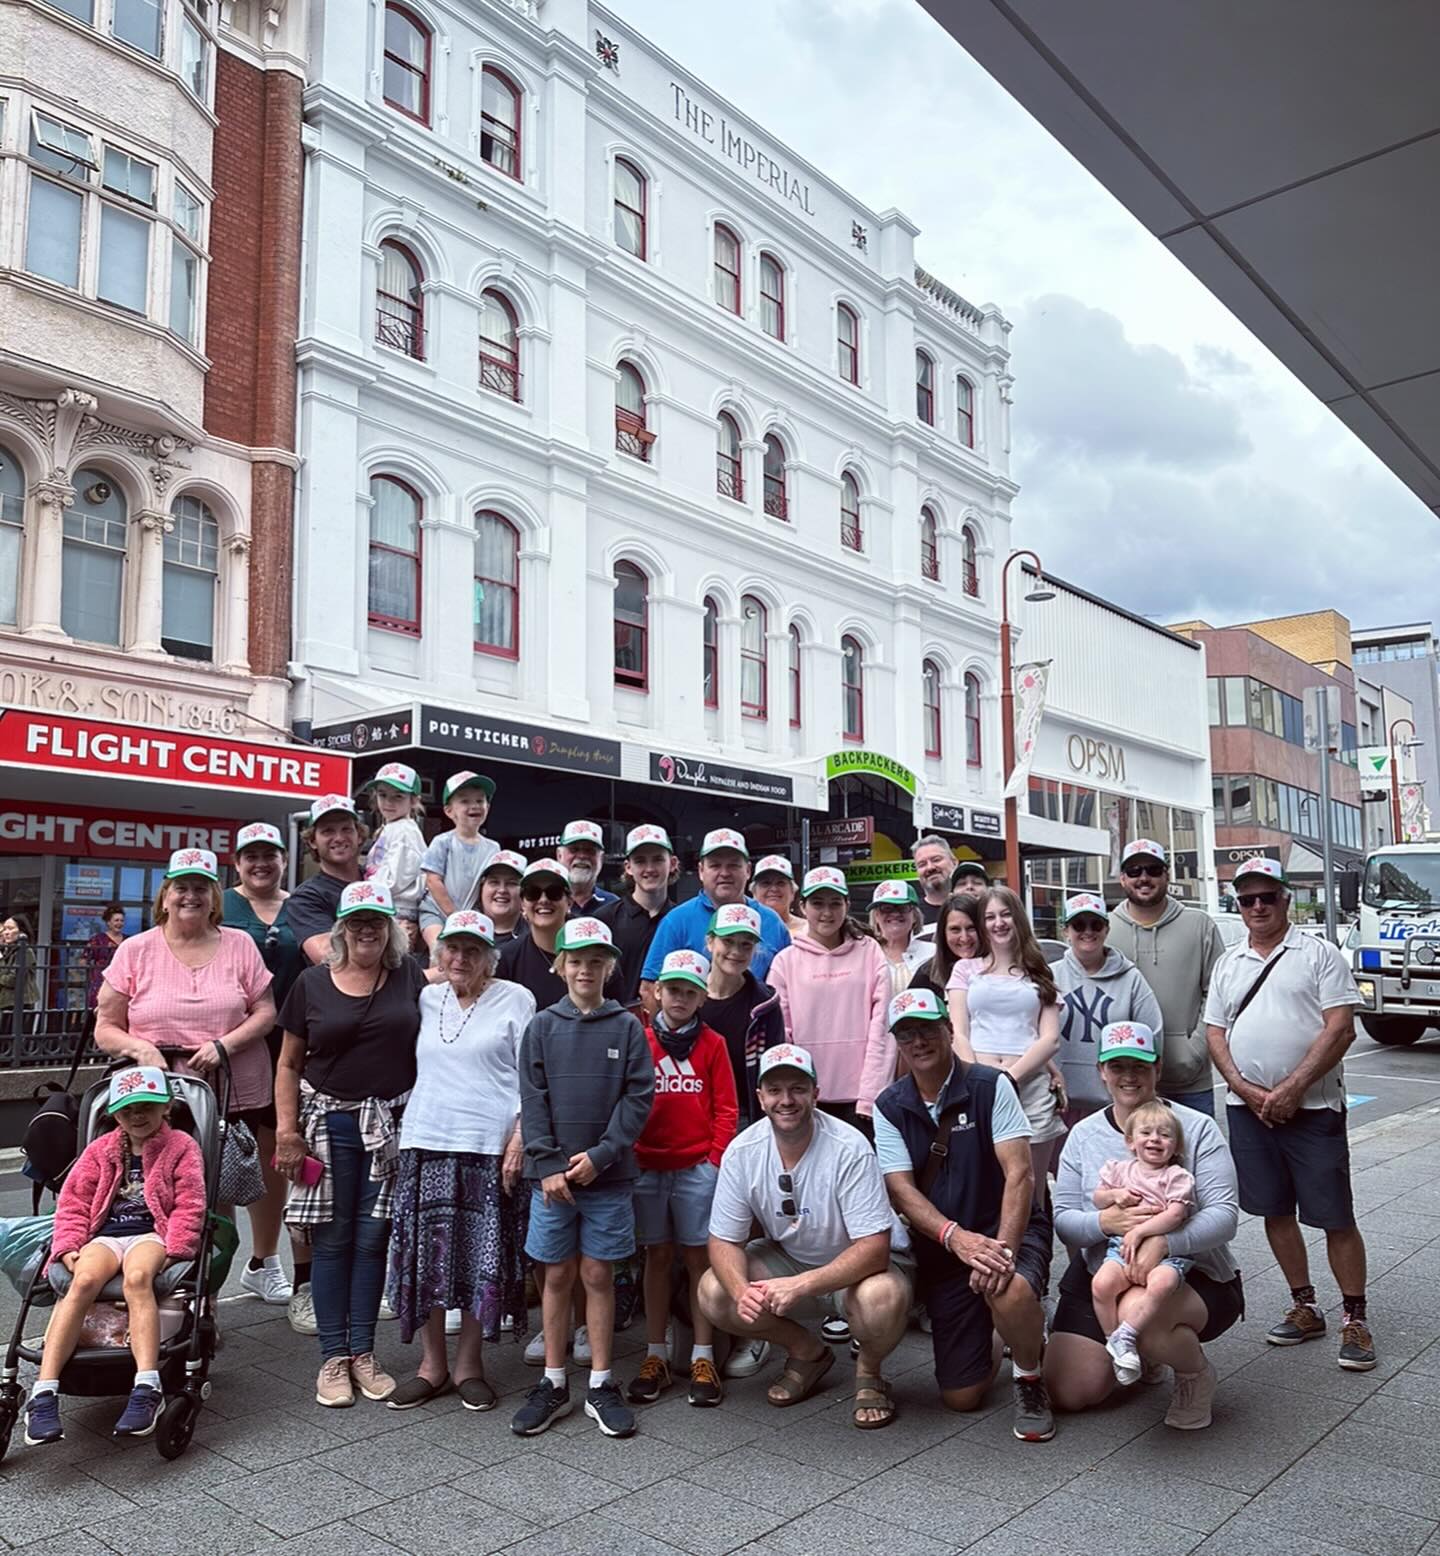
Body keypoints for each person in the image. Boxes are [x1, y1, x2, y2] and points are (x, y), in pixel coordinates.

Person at [1204, 856, 1375, 1372]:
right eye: (1247, 900)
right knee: (1274, 1210)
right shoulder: (1229, 962)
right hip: (1248, 1109)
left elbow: (1340, 1029)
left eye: (1267, 897)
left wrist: (1291, 1088)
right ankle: (1305, 1306)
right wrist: (1244, 1089)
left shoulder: (1319, 954)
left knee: (1335, 1216)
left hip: (1314, 1108)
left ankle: (1355, 1318)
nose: (1257, 907)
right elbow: (1215, 1031)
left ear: (1285, 899)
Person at [698, 1042, 912, 1428]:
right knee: (715, 1291)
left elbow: (874, 1249)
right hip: (789, 1257)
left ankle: (869, 1371)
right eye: (775, 1090)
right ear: (760, 1098)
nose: (786, 1100)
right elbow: (724, 1240)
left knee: (882, 1298)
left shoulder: (849, 1147)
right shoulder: (742, 1151)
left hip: (857, 1269)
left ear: (816, 1093)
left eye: (798, 1088)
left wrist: (801, 1285)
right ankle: (806, 1351)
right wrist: (741, 1292)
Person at [872, 990, 1054, 1442]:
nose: (919, 1041)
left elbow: (1020, 1175)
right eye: (907, 1034)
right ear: (897, 1042)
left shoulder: (991, 1086)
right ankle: (1005, 1328)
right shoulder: (889, 1105)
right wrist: (956, 1239)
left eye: (928, 1029)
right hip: (947, 1247)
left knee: (1008, 1289)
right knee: (961, 1396)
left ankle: (1029, 1375)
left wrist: (1001, 1253)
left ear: (950, 1030)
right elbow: (901, 1190)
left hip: (1007, 1232)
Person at [275, 881, 429, 1408]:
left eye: (376, 921)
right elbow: (288, 1063)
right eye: (357, 920)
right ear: (341, 927)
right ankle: (333, 1357)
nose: (367, 929)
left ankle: (363, 1352)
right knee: (332, 1238)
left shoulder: (408, 975)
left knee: (373, 1238)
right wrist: (286, 1131)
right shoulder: (312, 983)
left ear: (390, 928)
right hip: (329, 1125)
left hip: (390, 1126)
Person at [1046, 1023, 1243, 1429]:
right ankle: (1138, 1351)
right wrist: (1105, 1221)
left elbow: (1225, 1216)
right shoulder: (1083, 1135)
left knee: (1142, 1312)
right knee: (1069, 1390)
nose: (1129, 1076)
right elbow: (1064, 1220)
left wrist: (1166, 1242)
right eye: (1117, 1066)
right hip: (1106, 1264)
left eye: (1140, 1066)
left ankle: (1193, 1373)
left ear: (1157, 1069)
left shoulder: (1196, 1127)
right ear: (1101, 1071)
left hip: (1191, 1271)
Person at [510, 917, 653, 1439]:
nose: (585, 970)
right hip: (553, 1182)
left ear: (609, 967)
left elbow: (637, 1098)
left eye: (595, 961)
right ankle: (553, 1381)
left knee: (598, 1274)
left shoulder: (627, 1027)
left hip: (607, 1178)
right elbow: (533, 1099)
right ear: (561, 966)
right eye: (576, 961)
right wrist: (548, 1164)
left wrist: (603, 1155)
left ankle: (600, 1381)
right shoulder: (542, 1027)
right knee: (555, 1275)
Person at [387, 910, 535, 1411]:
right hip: (426, 1140)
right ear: (440, 952)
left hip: (488, 1146)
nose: (461, 958)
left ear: (490, 957)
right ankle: (432, 1366)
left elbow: (531, 1076)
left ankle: (470, 1364)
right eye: (453, 948)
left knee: (480, 1258)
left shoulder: (516, 998)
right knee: (427, 1259)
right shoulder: (427, 998)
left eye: (473, 950)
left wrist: (520, 1138)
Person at [24, 1067, 206, 1446]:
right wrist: (68, 1245)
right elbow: (74, 1201)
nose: (137, 1116)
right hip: (106, 1234)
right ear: (115, 1115)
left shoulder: (181, 1147)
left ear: (166, 1107)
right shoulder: (101, 1149)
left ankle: (147, 1385)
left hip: (152, 1233)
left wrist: (178, 1247)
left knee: (138, 1279)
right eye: (127, 1110)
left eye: (146, 1107)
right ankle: (44, 1391)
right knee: (82, 1282)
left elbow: (190, 1202)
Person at [96, 848, 276, 1149]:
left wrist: (224, 1046)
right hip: (153, 1096)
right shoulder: (134, 950)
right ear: (165, 898)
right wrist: (142, 1049)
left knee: (222, 1175)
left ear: (214, 899)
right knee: (158, 1174)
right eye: (181, 888)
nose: (190, 896)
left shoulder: (241, 944)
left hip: (232, 1093)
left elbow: (266, 1012)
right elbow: (105, 1028)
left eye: (201, 888)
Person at [626, 950, 737, 1408]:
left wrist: (713, 1161)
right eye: (672, 989)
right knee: (656, 1257)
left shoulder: (713, 1044)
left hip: (695, 1169)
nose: (679, 999)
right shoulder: (640, 1040)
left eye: (690, 992)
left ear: (702, 998)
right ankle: (655, 1352)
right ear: (656, 992)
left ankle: (702, 1355)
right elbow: (625, 1099)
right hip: (648, 1167)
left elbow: (727, 1108)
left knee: (698, 1259)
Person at [222, 822, 311, 1322]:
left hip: (289, 1041)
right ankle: (210, 1273)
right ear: (237, 863)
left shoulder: (300, 906)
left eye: (269, 855)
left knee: (276, 1151)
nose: (260, 864)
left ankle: (263, 1259)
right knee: (221, 1155)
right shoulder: (221, 905)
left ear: (283, 859)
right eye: (250, 855)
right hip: (232, 1042)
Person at [700, 902, 785, 1383]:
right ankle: (695, 1321)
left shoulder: (764, 1002)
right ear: (710, 942)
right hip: (695, 1123)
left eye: (746, 944)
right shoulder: (688, 991)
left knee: (748, 1228)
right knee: (694, 1229)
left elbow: (775, 1067)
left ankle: (755, 1327)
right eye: (728, 941)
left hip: (747, 1124)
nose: (735, 951)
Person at [950, 887, 1064, 1197]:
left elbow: (1050, 1039)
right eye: (990, 917)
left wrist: (1009, 1078)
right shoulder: (966, 969)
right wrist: (979, 1080)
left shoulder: (1039, 972)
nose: (998, 923)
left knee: (1032, 1190)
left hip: (1030, 1087)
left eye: (1005, 915)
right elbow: (959, 1032)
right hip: (978, 1088)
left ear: (1018, 919)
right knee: (987, 1187)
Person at [1108, 838, 1226, 1116]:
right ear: (1123, 878)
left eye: (1153, 869)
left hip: (1189, 1084)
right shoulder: (1105, 929)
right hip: (1125, 1083)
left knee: (1194, 1146)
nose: (1144, 878)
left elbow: (1219, 993)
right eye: (1134, 871)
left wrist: (1194, 1051)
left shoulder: (1199, 925)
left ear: (1166, 875)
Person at [766, 867, 890, 1127]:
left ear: (847, 905)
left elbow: (882, 1026)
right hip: (805, 1098)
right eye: (818, 903)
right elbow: (781, 1034)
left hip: (861, 1101)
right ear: (802, 907)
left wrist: (870, 1094)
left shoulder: (870, 952)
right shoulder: (785, 961)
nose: (827, 912)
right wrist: (795, 1091)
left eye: (835, 903)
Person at [1089, 1086, 1196, 1385]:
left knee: (1164, 1282)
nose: (1154, 1139)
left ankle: (1127, 1334)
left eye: (1164, 1134)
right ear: (1130, 1141)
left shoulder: (1176, 1176)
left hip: (1166, 1253)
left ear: (1176, 1146)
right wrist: (1115, 1195)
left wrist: (1139, 1231)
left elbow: (1176, 1214)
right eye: (1146, 1133)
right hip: (1120, 1248)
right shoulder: (1120, 1171)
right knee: (1101, 1284)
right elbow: (1097, 1199)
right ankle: (1114, 1341)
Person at [640, 830, 790, 1008]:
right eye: (715, 865)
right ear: (701, 871)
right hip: (696, 1024)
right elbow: (650, 989)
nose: (724, 873)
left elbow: (789, 984)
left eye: (733, 865)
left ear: (748, 870)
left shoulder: (771, 922)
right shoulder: (677, 921)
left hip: (758, 1023)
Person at [1053, 893, 1163, 1123]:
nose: (1088, 931)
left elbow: (1152, 1035)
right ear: (1065, 931)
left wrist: (1140, 1087)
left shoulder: (1130, 978)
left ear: (1106, 929)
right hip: (1058, 1104)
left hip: (1116, 1104)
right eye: (1078, 925)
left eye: (1096, 924)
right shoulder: (1049, 976)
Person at [419, 772, 500, 952]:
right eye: (465, 801)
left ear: (488, 807)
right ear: (449, 811)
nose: (474, 806)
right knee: (439, 951)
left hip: (471, 914)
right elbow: (433, 880)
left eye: (480, 800)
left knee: (472, 954)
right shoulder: (442, 842)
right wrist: (454, 915)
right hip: (436, 912)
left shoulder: (493, 848)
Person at [598, 825, 675, 1004]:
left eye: (658, 859)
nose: (649, 868)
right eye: (640, 861)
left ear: (672, 863)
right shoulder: (605, 919)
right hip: (615, 1017)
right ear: (628, 867)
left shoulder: (681, 920)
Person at [286, 795, 366, 965]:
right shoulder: (306, 898)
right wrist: (393, 938)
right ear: (312, 841)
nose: (339, 838)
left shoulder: (380, 880)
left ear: (359, 835)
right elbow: (329, 957)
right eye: (328, 831)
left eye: (346, 829)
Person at [363, 762, 428, 939]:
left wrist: (365, 890)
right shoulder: (392, 827)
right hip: (389, 906)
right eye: (382, 794)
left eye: (398, 796)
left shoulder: (405, 832)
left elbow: (395, 880)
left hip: (397, 910)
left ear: (413, 800)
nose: (388, 802)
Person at [909, 893, 987, 996]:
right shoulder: (927, 975)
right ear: (943, 933)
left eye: (971, 928)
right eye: (955, 929)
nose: (964, 938)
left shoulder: (1000, 967)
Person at [867, 879, 933, 1001]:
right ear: (876, 916)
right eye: (886, 908)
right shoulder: (864, 955)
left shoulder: (933, 953)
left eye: (902, 907)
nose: (895, 913)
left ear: (915, 916)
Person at [559, 820, 618, 915]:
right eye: (574, 849)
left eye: (589, 850)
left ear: (601, 859)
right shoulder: (545, 903)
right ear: (559, 856)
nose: (582, 856)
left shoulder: (615, 906)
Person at [750, 856, 806, 939]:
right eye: (766, 883)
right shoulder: (745, 927)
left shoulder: (809, 929)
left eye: (780, 883)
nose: (774, 889)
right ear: (754, 892)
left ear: (793, 892)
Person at [480, 851, 528, 946]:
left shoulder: (536, 937)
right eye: (494, 882)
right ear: (481, 888)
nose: (502, 890)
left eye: (512, 883)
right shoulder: (463, 932)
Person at [84, 905, 127, 1009]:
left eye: (122, 920)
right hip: (101, 981)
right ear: (108, 922)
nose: (119, 923)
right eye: (116, 920)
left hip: (122, 981)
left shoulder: (128, 940)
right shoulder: (98, 940)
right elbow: (84, 959)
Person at [911, 835, 957, 925]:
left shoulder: (972, 907)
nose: (930, 867)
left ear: (954, 863)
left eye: (936, 860)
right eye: (922, 864)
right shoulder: (912, 915)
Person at [0, 916, 39, 1011]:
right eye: (4, 929)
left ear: (22, 931)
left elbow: (12, 980)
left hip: (20, 1003)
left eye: (10, 928)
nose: (6, 932)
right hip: (7, 1002)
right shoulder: (8, 950)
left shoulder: (25, 951)